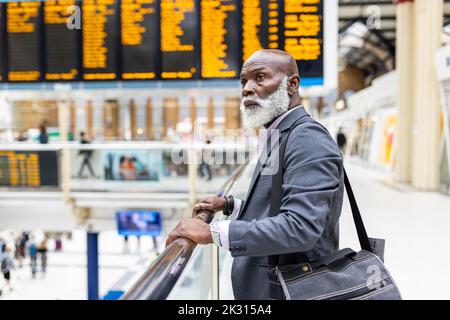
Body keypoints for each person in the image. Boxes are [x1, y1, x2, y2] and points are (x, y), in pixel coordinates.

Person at [166, 49, 344, 299]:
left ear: (291, 85)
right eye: (243, 81)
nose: (247, 89)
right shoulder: (280, 134)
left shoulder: (307, 138)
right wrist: (231, 205)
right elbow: (278, 203)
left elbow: (301, 227)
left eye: (260, 78)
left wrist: (212, 233)